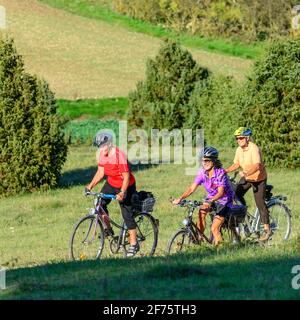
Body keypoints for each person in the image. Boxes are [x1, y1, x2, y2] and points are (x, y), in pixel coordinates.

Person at [85, 131, 139, 257]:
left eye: (103, 145)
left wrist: (122, 192)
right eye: (99, 146)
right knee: (100, 205)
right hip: (111, 183)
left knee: (127, 214)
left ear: (109, 144)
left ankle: (134, 244)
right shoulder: (102, 155)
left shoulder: (119, 155)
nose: (101, 148)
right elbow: (100, 172)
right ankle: (108, 230)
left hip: (126, 185)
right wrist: (90, 186)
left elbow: (126, 177)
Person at [173, 146, 235, 245]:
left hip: (224, 200)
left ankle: (222, 251)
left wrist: (210, 201)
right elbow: (192, 188)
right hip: (211, 198)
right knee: (201, 213)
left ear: (213, 161)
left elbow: (221, 192)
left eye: (207, 160)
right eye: (202, 161)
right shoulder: (202, 172)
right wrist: (180, 198)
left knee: (214, 229)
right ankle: (199, 238)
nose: (204, 163)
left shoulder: (220, 173)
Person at [225, 127, 272, 242]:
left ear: (247, 138)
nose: (238, 140)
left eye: (241, 138)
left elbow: (257, 165)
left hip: (258, 179)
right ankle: (244, 213)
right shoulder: (239, 150)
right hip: (247, 177)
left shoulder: (254, 148)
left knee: (260, 202)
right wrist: (225, 171)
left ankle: (267, 230)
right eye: (237, 138)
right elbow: (236, 164)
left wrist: (246, 173)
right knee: (235, 194)